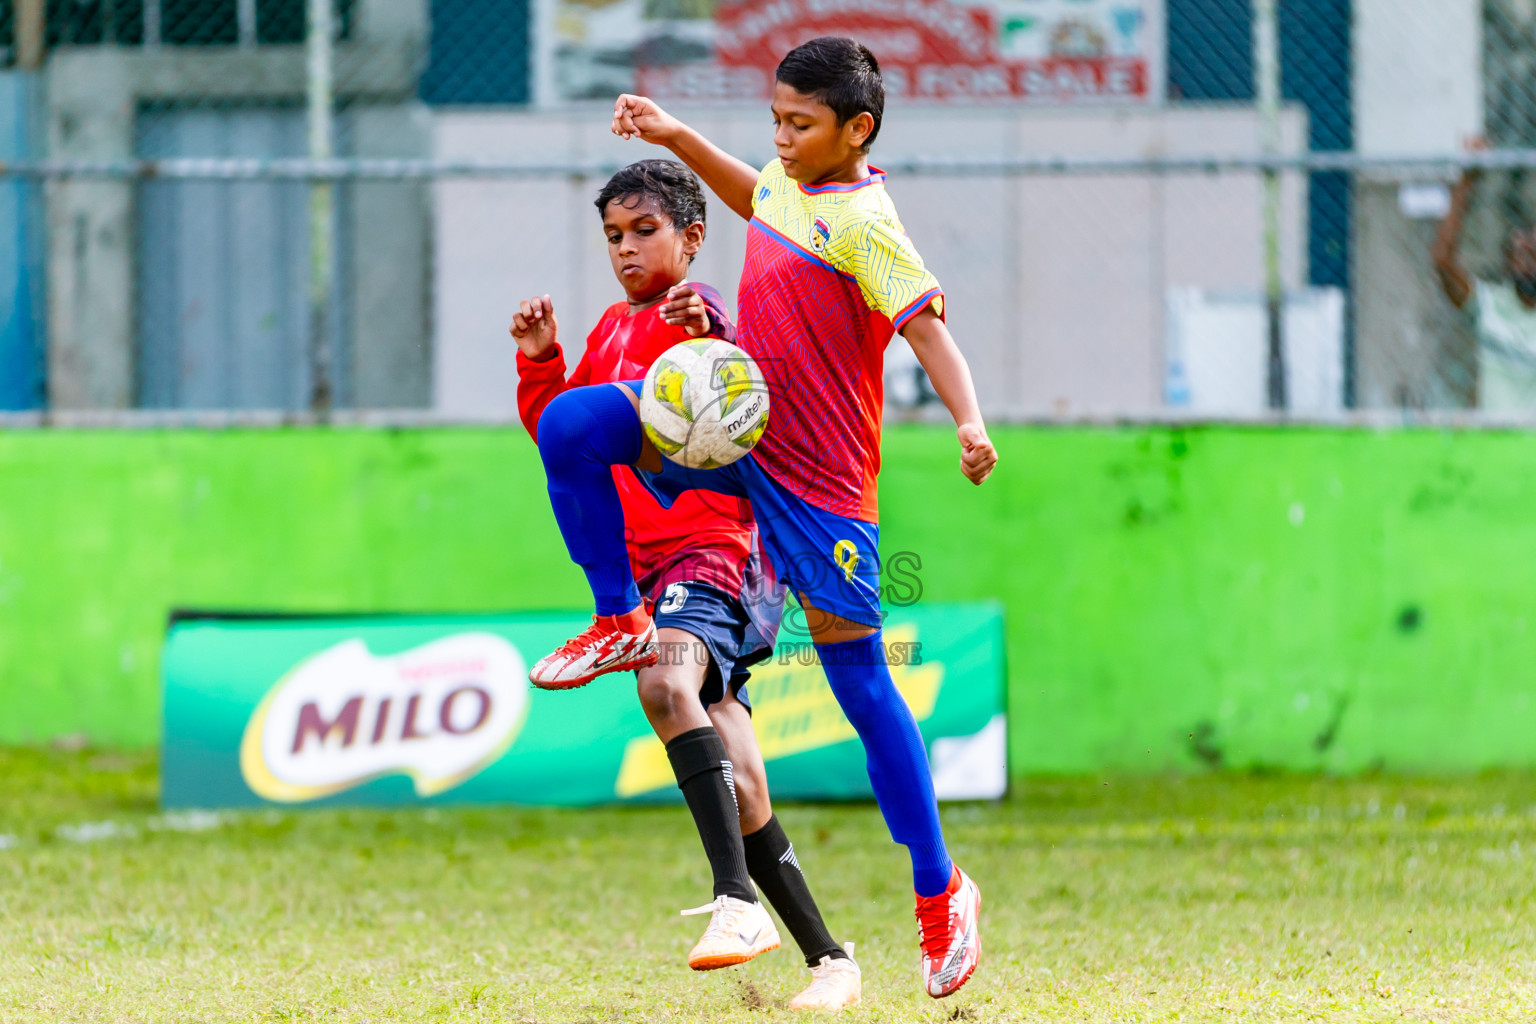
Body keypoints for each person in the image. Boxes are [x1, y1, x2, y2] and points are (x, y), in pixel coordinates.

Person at [525, 39, 997, 998]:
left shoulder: (869, 220)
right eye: (774, 119)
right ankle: (618, 619)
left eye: (800, 124)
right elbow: (749, 195)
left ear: (855, 130)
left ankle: (940, 888)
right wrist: (672, 130)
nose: (780, 139)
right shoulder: (784, 184)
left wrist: (970, 419)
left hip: (821, 486)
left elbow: (927, 328)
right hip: (741, 442)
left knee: (862, 685)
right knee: (574, 422)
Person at [511, 159, 861, 1012]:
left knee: (665, 684)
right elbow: (567, 445)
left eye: (645, 232)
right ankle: (831, 960)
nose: (626, 251)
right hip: (648, 566)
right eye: (614, 237)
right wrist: (542, 363)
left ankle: (738, 904)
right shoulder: (607, 327)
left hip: (716, 554)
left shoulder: (699, 321)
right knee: (741, 779)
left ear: (693, 237)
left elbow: (735, 402)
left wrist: (710, 329)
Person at [1432, 153, 1536, 413]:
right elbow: (1443, 261)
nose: (1528, 264)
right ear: (1508, 262)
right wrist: (1467, 179)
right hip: (1494, 442)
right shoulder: (1490, 303)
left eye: (1535, 255)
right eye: (1521, 255)